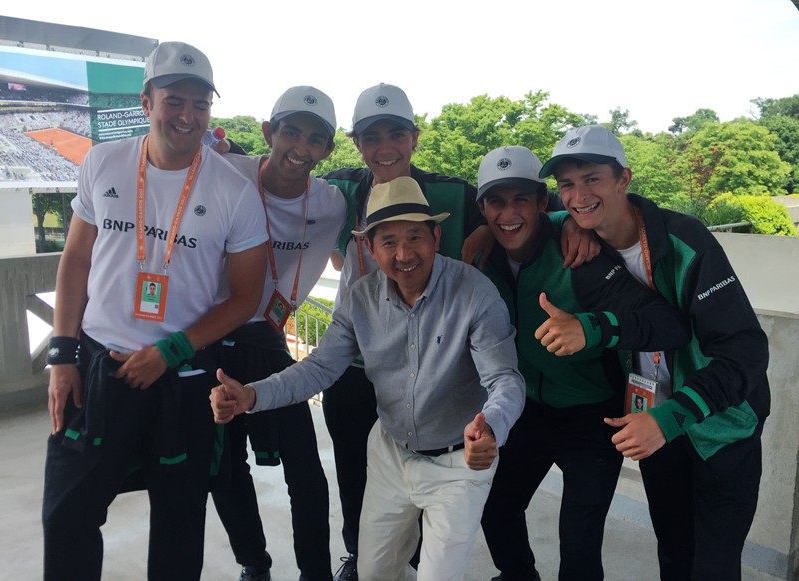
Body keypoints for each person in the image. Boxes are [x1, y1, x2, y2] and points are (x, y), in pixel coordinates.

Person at [210, 176, 526, 581]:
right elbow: (320, 367)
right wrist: (252, 395)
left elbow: (505, 379)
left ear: (436, 237)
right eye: (388, 242)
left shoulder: (475, 293)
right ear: (370, 249)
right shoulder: (360, 298)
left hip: (457, 462)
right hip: (391, 453)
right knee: (375, 572)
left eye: (415, 237)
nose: (403, 253)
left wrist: (492, 426)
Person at [41, 41, 268, 581]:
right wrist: (62, 355)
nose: (188, 115)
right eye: (174, 101)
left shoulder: (234, 191)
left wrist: (170, 350)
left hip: (182, 377)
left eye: (200, 103)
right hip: (98, 367)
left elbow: (245, 296)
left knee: (179, 525)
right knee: (68, 514)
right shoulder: (103, 162)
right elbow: (76, 259)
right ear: (147, 103)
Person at [539, 125, 771, 580]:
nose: (578, 195)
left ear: (623, 179)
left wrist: (669, 416)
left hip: (720, 427)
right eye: (567, 184)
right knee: (674, 555)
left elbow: (744, 351)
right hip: (653, 423)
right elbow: (522, 214)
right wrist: (493, 234)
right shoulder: (586, 245)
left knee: (715, 567)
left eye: (592, 179)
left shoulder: (686, 239)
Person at [475, 146, 691, 581]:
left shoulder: (580, 254)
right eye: (496, 202)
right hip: (527, 408)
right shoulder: (482, 255)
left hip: (593, 414)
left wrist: (593, 328)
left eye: (521, 200)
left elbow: (667, 323)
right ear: (482, 209)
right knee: (495, 508)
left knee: (579, 541)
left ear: (543, 202)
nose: (508, 214)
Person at [319, 83, 487, 580]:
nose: (385, 148)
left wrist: (559, 225)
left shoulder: (453, 194)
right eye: (372, 137)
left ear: (414, 137)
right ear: (356, 143)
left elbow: (527, 209)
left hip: (426, 363)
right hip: (354, 357)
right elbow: (276, 180)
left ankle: (412, 563)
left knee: (420, 466)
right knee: (354, 467)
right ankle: (360, 555)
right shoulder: (341, 189)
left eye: (396, 134)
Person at [209, 85, 346, 581]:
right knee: (225, 468)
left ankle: (316, 572)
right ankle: (254, 564)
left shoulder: (334, 201)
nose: (300, 148)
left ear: (328, 149)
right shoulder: (223, 170)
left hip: (267, 338)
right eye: (291, 132)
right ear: (269, 132)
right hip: (210, 334)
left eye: (315, 139)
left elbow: (388, 194)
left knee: (305, 469)